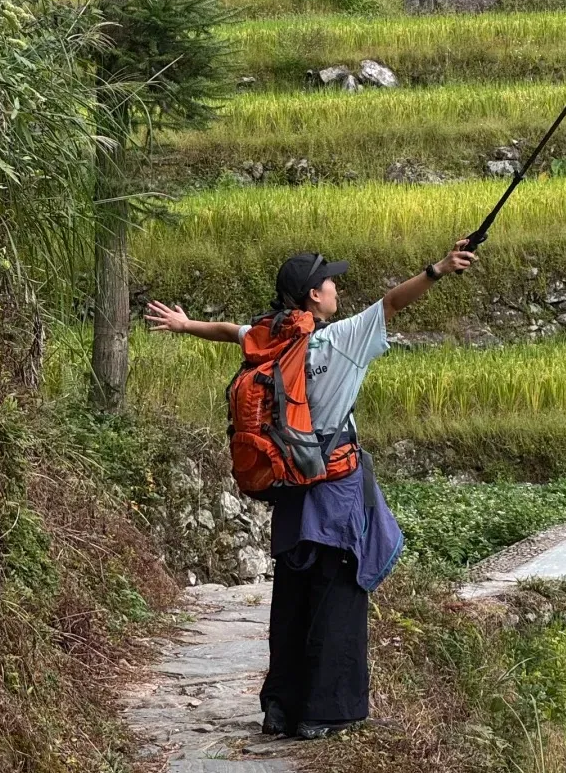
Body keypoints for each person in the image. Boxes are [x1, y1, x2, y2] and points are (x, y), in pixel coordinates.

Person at [145, 240, 476, 740]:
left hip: (289, 494)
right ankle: (323, 712)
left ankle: (280, 707)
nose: (337, 287)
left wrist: (186, 325)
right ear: (313, 297)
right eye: (330, 282)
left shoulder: (270, 338)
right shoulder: (340, 340)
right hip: (333, 494)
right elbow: (392, 302)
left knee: (291, 601)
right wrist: (440, 268)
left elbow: (230, 332)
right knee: (335, 601)